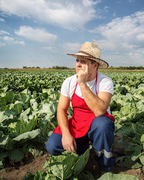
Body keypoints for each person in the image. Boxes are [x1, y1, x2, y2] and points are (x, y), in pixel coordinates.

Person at [46, 42, 115, 172]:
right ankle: (81, 148)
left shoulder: (105, 81)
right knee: (52, 146)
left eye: (83, 61)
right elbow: (61, 109)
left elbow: (100, 110)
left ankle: (105, 165)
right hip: (78, 123)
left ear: (95, 65)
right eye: (77, 60)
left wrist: (82, 84)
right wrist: (66, 134)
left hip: (96, 124)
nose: (78, 64)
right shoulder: (69, 82)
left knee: (103, 125)